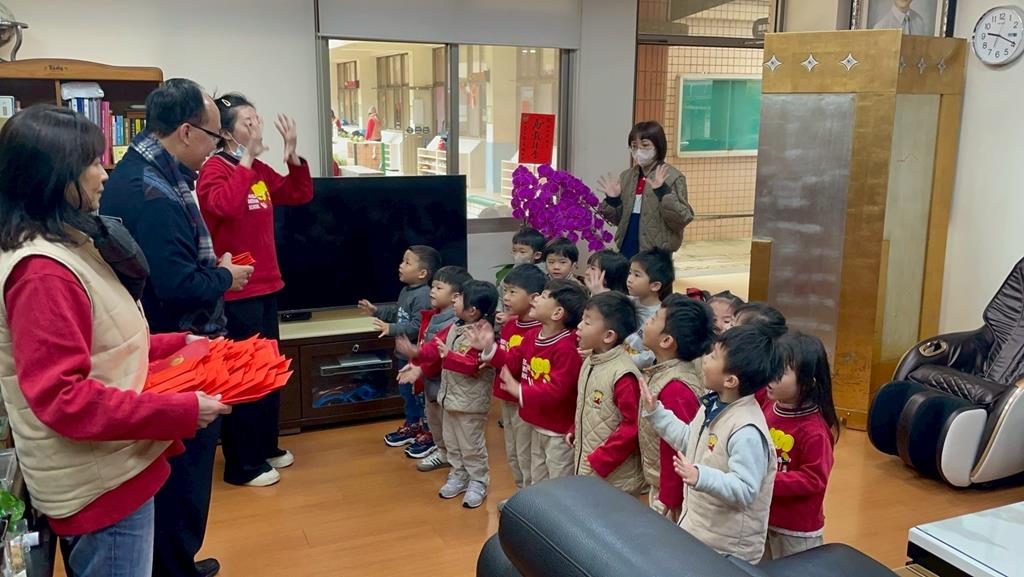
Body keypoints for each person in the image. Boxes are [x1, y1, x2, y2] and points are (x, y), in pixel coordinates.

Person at [0, 104, 231, 577]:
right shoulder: (42, 272)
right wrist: (180, 411)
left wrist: (176, 344)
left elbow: (101, 341)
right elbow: (63, 397)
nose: (103, 174)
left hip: (112, 467)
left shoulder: (68, 242)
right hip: (99, 484)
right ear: (54, 176)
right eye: (90, 163)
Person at [100, 78, 249, 577]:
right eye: (214, 136)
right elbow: (178, 284)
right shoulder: (152, 192)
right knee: (184, 472)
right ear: (186, 131)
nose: (217, 147)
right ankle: (175, 567)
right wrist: (226, 276)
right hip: (176, 348)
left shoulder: (147, 171)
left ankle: (176, 560)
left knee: (180, 473)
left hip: (165, 341)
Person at [195, 92, 313, 487]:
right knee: (244, 376)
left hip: (266, 285)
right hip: (236, 291)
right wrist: (247, 159)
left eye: (257, 118)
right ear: (226, 133)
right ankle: (241, 465)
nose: (257, 126)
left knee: (267, 373)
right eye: (248, 122)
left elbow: (298, 193)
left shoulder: (257, 168)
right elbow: (223, 207)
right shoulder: (214, 168)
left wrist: (291, 153)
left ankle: (264, 447)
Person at [640, 324, 782, 563]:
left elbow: (745, 489)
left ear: (730, 380)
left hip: (728, 548)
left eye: (714, 356)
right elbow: (690, 440)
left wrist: (700, 476)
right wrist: (657, 413)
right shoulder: (713, 405)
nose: (705, 359)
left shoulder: (746, 430)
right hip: (701, 531)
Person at [480, 279, 586, 485]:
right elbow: (512, 362)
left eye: (544, 296)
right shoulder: (531, 336)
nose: (536, 299)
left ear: (557, 313)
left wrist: (520, 390)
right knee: (537, 476)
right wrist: (489, 348)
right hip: (535, 423)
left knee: (559, 481)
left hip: (558, 431)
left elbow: (558, 390)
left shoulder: (567, 347)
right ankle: (532, 503)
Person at [414, 280, 499, 509]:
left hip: (470, 404)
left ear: (473, 310)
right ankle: (458, 474)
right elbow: (435, 345)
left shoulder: (483, 333)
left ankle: (478, 481)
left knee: (471, 446)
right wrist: (416, 355)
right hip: (450, 399)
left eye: (459, 297)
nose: (454, 300)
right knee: (452, 443)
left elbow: (472, 365)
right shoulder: (456, 325)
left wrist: (448, 356)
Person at [761, 332, 839, 560]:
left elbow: (814, 479)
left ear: (807, 382)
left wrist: (766, 480)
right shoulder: (768, 406)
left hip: (796, 529)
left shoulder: (814, 431)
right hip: (764, 517)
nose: (770, 376)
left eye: (780, 371)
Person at [471, 264, 546, 494]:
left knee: (526, 454)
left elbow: (515, 363)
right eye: (505, 291)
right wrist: (490, 355)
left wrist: (490, 349)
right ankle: (520, 493)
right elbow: (505, 359)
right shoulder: (511, 324)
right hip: (507, 397)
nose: (506, 297)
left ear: (534, 298)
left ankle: (529, 498)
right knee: (512, 452)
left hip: (524, 400)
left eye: (513, 292)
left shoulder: (539, 330)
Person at [638, 295, 713, 521]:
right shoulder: (662, 371)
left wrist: (669, 499)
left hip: (669, 495)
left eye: (654, 319)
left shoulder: (676, 388)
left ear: (666, 341)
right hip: (659, 483)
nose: (647, 321)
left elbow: (679, 449)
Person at [359, 245, 440, 447]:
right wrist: (376, 311)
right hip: (403, 355)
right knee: (407, 394)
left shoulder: (423, 295)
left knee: (419, 396)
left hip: (416, 358)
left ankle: (428, 432)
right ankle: (412, 425)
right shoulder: (407, 290)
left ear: (422, 273)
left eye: (407, 262)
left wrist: (391, 329)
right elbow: (398, 312)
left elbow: (417, 327)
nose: (401, 265)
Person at [396, 265, 472, 470]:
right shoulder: (431, 316)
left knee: (450, 427)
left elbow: (441, 355)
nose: (432, 291)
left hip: (447, 386)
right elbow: (424, 346)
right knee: (435, 421)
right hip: (430, 383)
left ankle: (458, 463)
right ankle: (443, 452)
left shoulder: (457, 323)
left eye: (439, 288)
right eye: (433, 286)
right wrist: (414, 362)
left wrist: (418, 365)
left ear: (455, 297)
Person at [568, 292, 644, 494]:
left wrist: (602, 459)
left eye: (587, 322)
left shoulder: (623, 375)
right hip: (588, 462)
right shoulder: (591, 361)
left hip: (613, 475)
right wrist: (575, 428)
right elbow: (587, 405)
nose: (579, 326)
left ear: (608, 336)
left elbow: (633, 426)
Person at [597, 121, 693, 258]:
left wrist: (663, 192)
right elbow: (618, 220)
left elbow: (681, 220)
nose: (639, 151)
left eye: (645, 145)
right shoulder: (626, 176)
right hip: (626, 249)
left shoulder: (673, 177)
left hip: (655, 255)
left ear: (658, 146)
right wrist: (613, 200)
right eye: (634, 146)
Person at [624, 248, 676, 369]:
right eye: (630, 273)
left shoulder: (660, 317)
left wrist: (619, 359)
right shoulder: (627, 302)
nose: (629, 279)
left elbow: (648, 357)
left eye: (637, 275)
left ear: (655, 286)